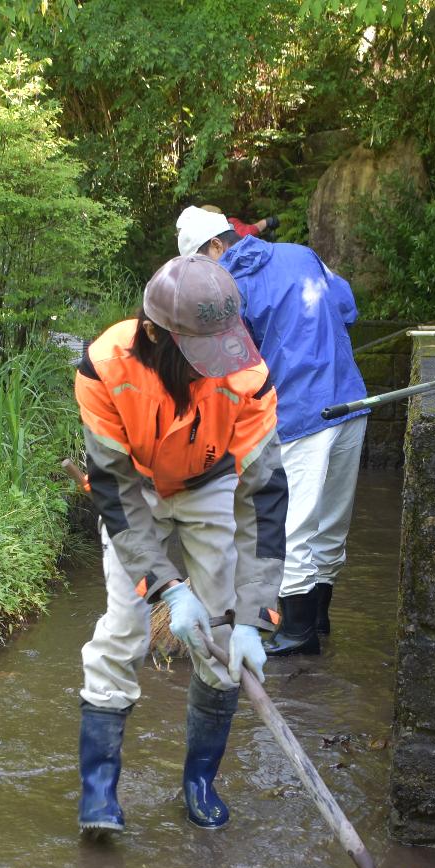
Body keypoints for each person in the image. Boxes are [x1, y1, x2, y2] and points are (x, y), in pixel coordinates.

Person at [75, 255, 288, 834]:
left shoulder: (248, 378)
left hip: (210, 485)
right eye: (199, 356)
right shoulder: (103, 366)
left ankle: (199, 780)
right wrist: (166, 587)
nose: (209, 370)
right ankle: (99, 795)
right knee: (124, 630)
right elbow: (114, 491)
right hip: (136, 490)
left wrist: (253, 615)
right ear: (154, 334)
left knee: (220, 638)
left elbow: (263, 499)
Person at [177, 205, 367, 657]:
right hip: (351, 404)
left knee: (292, 525)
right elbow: (347, 307)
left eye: (201, 264)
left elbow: (231, 374)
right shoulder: (301, 255)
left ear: (218, 246)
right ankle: (317, 620)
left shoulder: (229, 291)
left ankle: (296, 633)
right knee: (331, 525)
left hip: (301, 415)